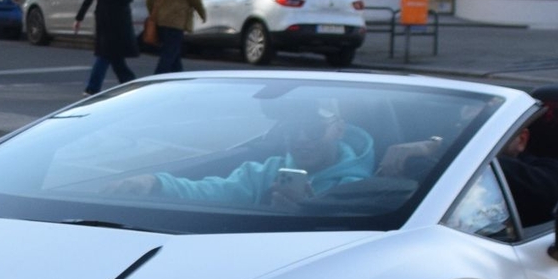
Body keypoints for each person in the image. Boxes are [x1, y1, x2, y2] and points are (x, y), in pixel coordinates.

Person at [106, 97, 375, 207]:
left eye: (314, 129)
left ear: (338, 129)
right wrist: (157, 183)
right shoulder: (264, 171)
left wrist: (313, 210)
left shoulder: (362, 187)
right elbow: (214, 191)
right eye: (292, 130)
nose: (301, 139)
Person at [73, 0, 137, 94]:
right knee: (107, 54)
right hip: (118, 20)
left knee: (112, 54)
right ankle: (93, 87)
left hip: (102, 17)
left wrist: (79, 18)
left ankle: (128, 82)